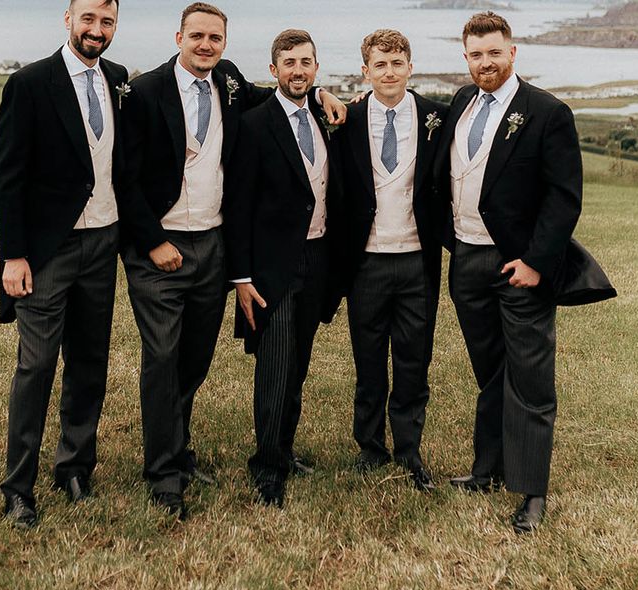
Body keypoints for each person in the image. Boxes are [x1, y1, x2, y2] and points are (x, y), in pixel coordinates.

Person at [119, 4, 345, 518]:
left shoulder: (230, 83)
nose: (205, 44)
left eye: (215, 37)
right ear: (178, 36)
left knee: (195, 359)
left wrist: (323, 92)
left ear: (224, 43)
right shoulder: (148, 90)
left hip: (213, 247)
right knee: (162, 359)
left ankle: (181, 451)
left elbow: (281, 99)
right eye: (196, 35)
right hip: (160, 246)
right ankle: (164, 473)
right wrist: (152, 239)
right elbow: (124, 175)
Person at [433, 12, 583, 533]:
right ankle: (487, 469)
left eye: (494, 52)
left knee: (530, 380)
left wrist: (538, 263)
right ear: (466, 57)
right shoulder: (459, 103)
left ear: (512, 52)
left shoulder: (546, 113)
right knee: (490, 373)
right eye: (475, 54)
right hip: (467, 261)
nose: (485, 62)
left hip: (518, 265)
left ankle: (532, 492)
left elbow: (564, 199)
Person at [0, 0, 127, 528]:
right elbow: (8, 177)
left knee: (90, 361)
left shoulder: (118, 79)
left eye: (107, 21)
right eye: (88, 19)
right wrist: (14, 254)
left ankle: (74, 467)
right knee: (37, 365)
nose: (97, 30)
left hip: (104, 243)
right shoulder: (29, 85)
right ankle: (18, 488)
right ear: (67, 19)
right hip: (48, 251)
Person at [223, 29, 344, 508]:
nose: (298, 70)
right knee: (274, 367)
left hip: (318, 259)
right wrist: (242, 277)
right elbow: (237, 206)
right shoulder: (254, 125)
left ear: (316, 69)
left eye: (306, 62)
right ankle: (267, 468)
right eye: (289, 62)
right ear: (273, 71)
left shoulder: (326, 116)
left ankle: (285, 449)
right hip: (273, 267)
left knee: (298, 365)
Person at [338, 29, 447, 489]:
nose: (389, 72)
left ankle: (409, 449)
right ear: (366, 70)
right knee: (368, 360)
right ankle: (370, 446)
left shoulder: (436, 118)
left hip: (417, 260)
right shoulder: (344, 119)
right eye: (379, 64)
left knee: (412, 360)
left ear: (410, 66)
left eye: (397, 63)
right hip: (366, 262)